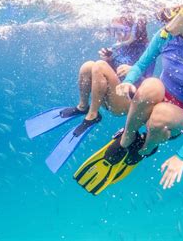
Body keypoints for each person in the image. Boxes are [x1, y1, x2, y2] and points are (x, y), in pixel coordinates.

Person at [74, 0, 183, 195]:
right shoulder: (165, 36)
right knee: (152, 84)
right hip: (155, 97)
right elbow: (142, 64)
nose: (165, 22)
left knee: (160, 116)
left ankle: (145, 149)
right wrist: (129, 80)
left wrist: (181, 156)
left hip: (179, 113)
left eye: (171, 15)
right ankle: (126, 139)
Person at [25, 14, 154, 173]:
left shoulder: (146, 49)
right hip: (112, 97)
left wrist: (134, 71)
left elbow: (149, 85)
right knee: (88, 65)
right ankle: (83, 107)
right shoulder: (119, 46)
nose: (117, 35)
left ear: (136, 29)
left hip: (128, 102)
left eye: (121, 30)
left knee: (98, 65)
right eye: (113, 31)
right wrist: (109, 60)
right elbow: (111, 74)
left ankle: (92, 115)